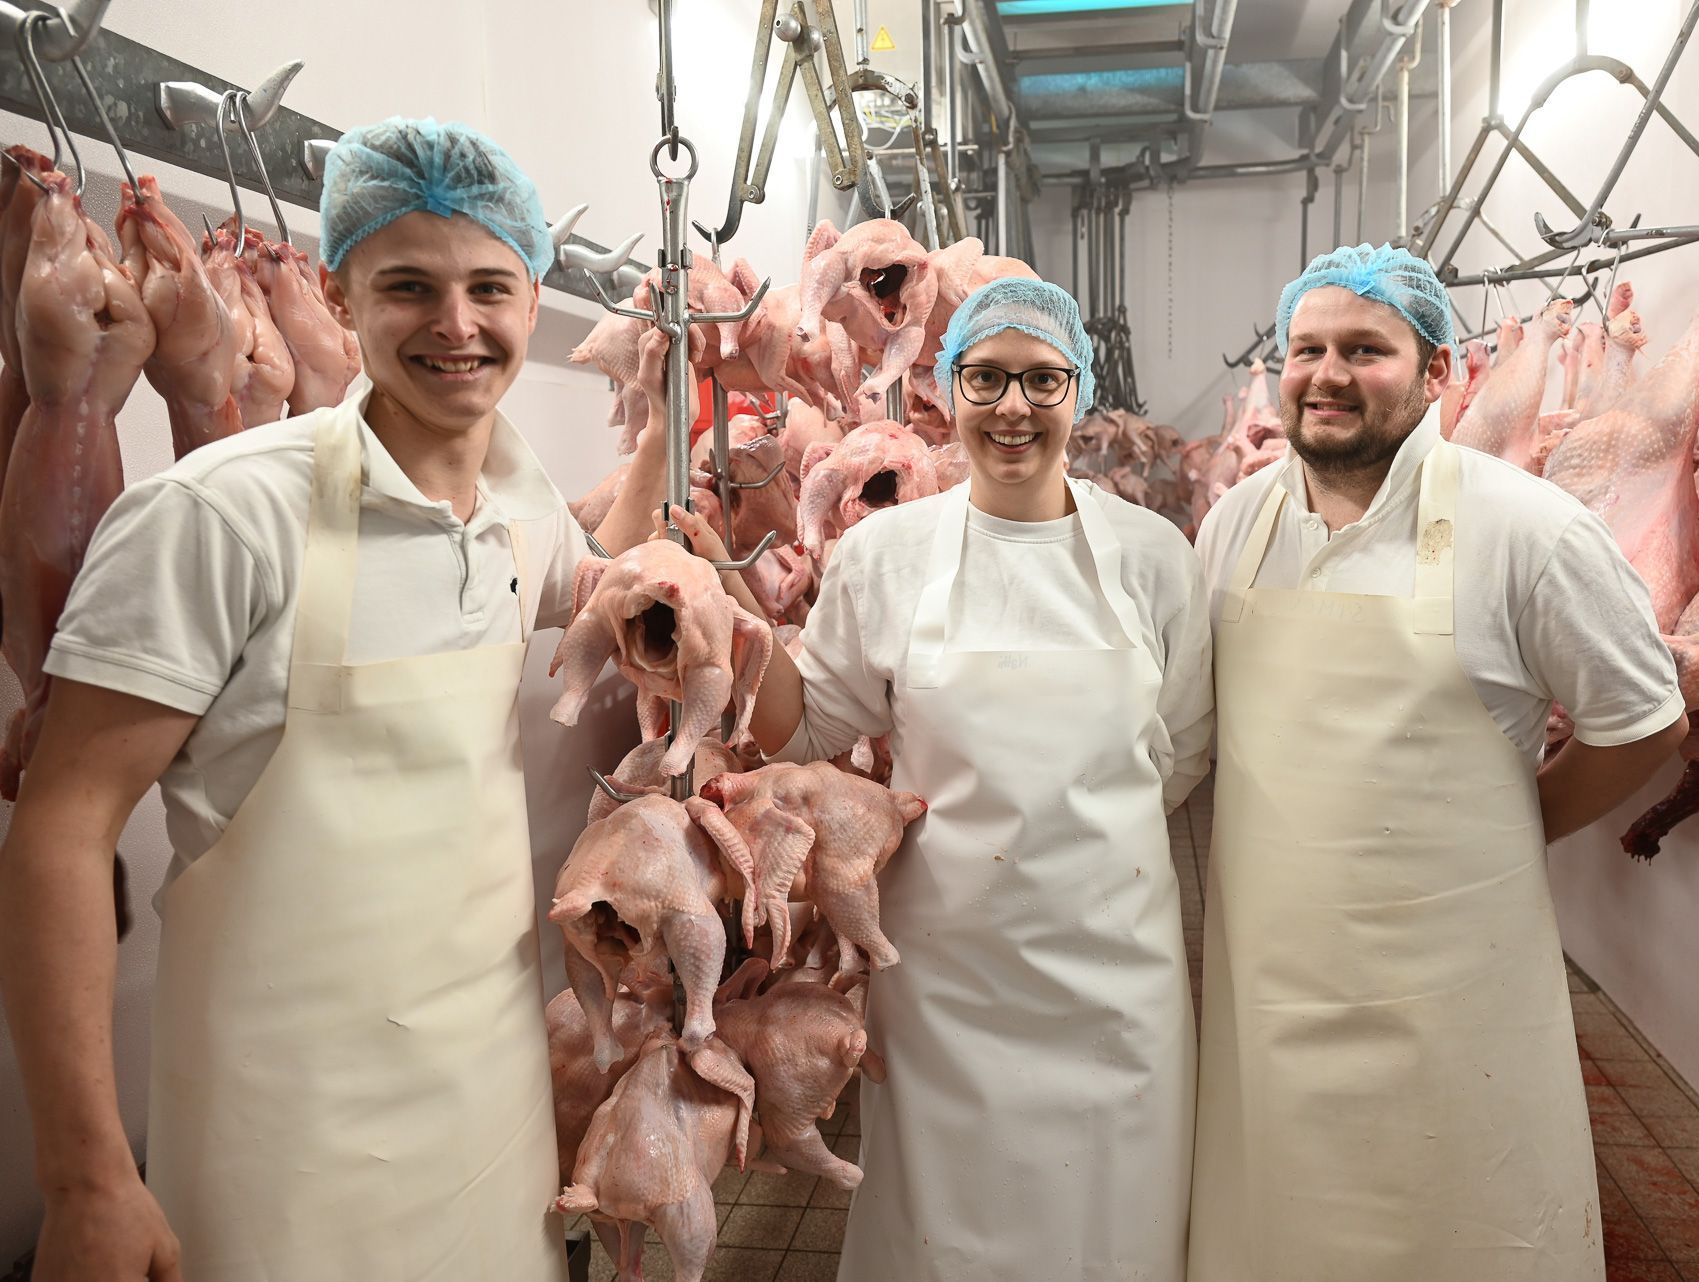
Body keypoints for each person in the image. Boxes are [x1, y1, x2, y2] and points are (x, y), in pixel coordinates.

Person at [0, 119, 660, 1282]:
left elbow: (600, 576)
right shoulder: (219, 516)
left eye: (489, 289)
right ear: (345, 297)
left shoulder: (521, 505)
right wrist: (88, 1178)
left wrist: (677, 502)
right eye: (409, 287)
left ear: (531, 295)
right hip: (287, 1152)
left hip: (489, 1114)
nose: (458, 326)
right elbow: (61, 829)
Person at [658, 277, 1212, 1281]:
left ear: (1076, 391)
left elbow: (1181, 746)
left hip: (1113, 974)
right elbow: (811, 720)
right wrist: (728, 593)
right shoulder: (888, 553)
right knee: (945, 1233)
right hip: (951, 974)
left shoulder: (1152, 557)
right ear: (949, 388)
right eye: (987, 378)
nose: (1014, 407)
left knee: (1114, 1217)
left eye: (1042, 380)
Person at [1187, 244, 1689, 1282]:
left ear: (1437, 374)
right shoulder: (1235, 525)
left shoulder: (1528, 528)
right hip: (1270, 992)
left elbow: (1645, 721)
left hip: (1453, 1000)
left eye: (1365, 349)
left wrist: (1519, 820)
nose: (1327, 373)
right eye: (1308, 348)